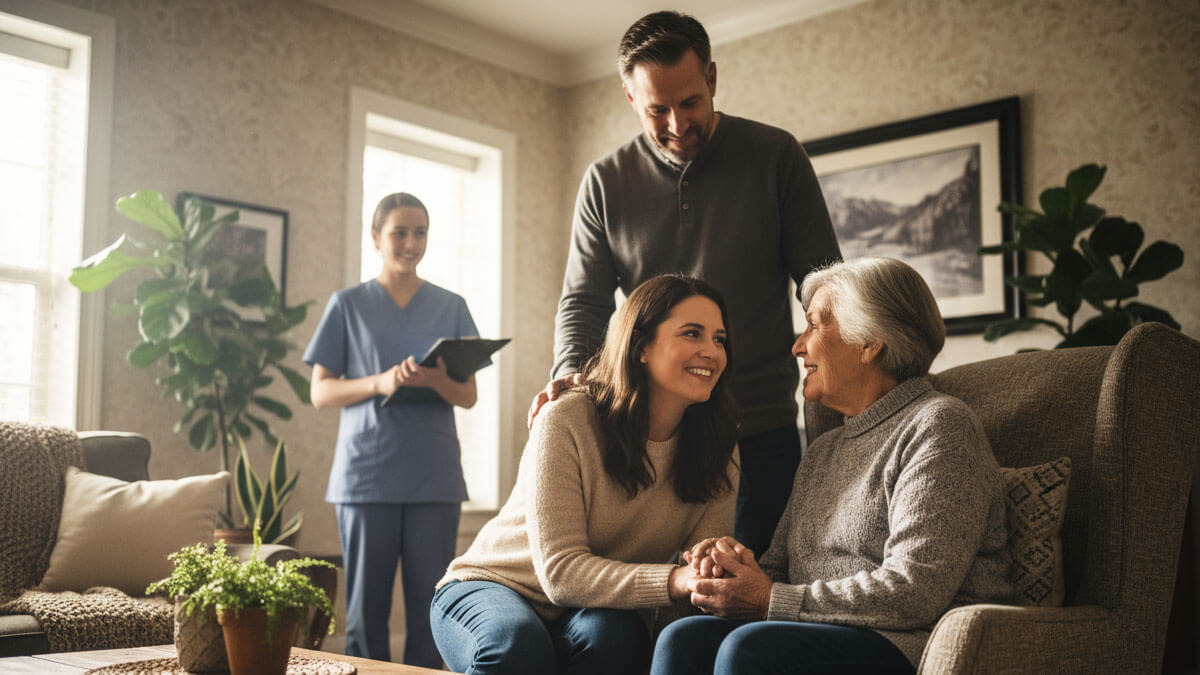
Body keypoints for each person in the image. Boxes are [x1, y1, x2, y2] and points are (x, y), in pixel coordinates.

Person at [529, 10, 841, 557]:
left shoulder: (776, 157)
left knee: (744, 598)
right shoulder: (605, 182)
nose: (677, 123)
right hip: (650, 437)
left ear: (712, 80)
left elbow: (824, 286)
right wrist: (568, 377)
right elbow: (583, 301)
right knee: (655, 600)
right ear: (630, 98)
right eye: (657, 110)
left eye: (690, 102)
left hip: (758, 428)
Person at [650, 257, 1013, 675]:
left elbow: (915, 589)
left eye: (814, 325)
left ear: (869, 342)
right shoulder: (825, 451)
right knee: (683, 637)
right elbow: (776, 572)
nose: (798, 346)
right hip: (817, 630)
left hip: (910, 642)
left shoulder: (938, 426)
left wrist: (770, 598)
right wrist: (731, 570)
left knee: (748, 648)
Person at [431, 274, 741, 675]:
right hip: (495, 585)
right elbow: (560, 572)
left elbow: (699, 576)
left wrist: (712, 570)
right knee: (516, 646)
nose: (711, 352)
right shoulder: (567, 418)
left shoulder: (719, 444)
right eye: (692, 334)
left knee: (617, 641)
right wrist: (676, 579)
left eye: (719, 339)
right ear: (641, 346)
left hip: (589, 605)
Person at [303, 192, 486, 667]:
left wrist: (435, 379)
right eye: (399, 232)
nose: (411, 242)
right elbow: (320, 392)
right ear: (376, 237)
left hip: (434, 475)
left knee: (435, 607)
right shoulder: (348, 305)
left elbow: (468, 396)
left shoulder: (451, 305)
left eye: (420, 231)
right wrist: (380, 381)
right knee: (367, 612)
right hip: (367, 477)